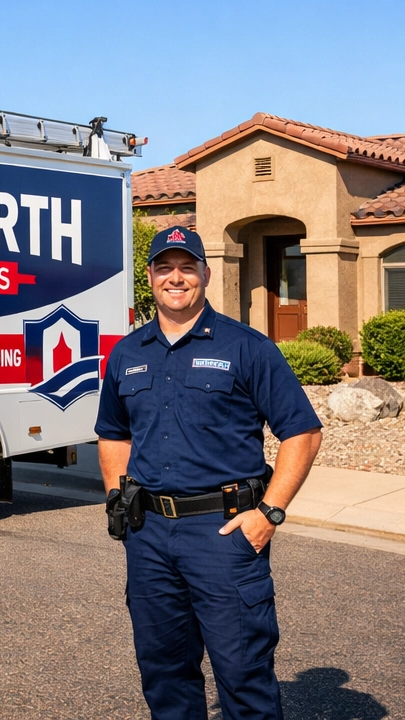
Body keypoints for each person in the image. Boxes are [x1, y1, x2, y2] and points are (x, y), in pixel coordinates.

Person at [97, 225, 323, 720]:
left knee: (242, 676)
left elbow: (302, 433)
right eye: (164, 267)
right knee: (164, 672)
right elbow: (113, 433)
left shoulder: (248, 347)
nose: (175, 278)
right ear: (150, 276)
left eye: (186, 267)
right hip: (150, 534)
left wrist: (269, 513)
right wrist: (118, 498)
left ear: (206, 273)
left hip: (224, 533)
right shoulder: (127, 354)